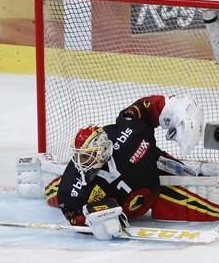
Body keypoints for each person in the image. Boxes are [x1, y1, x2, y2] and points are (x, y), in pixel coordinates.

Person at [54, 95, 203, 239]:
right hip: (133, 207)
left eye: (86, 156)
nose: (80, 162)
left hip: (152, 171)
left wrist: (175, 108)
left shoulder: (129, 133)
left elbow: (146, 108)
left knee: (196, 185)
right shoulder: (72, 188)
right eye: (78, 155)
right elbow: (73, 215)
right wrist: (91, 222)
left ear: (103, 150)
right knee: (55, 191)